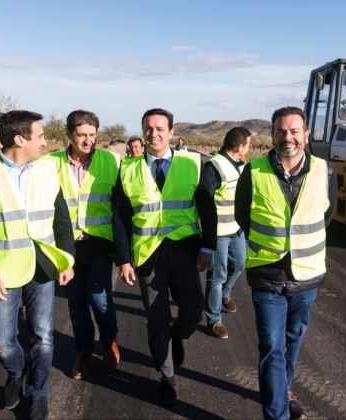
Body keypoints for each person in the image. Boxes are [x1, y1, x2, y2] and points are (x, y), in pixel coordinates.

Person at [0, 110, 75, 420]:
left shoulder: (48, 170)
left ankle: (38, 393)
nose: (45, 141)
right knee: (1, 342)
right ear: (19, 138)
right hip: (1, 273)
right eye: (39, 135)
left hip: (43, 269)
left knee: (43, 337)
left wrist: (67, 259)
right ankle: (17, 372)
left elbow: (62, 221)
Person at [235, 106, 336, 420]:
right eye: (281, 131)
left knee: (293, 340)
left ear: (306, 135)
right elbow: (242, 216)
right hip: (267, 274)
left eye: (294, 131)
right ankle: (276, 413)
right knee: (271, 346)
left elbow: (326, 216)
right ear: (272, 135)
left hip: (306, 276)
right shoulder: (253, 172)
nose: (288, 137)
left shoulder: (325, 171)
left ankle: (284, 389)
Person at [112, 108, 216, 406]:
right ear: (142, 132)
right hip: (148, 255)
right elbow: (120, 217)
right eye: (148, 128)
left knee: (193, 312)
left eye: (160, 128)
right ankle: (167, 376)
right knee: (156, 319)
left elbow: (207, 209)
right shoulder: (128, 169)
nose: (153, 134)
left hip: (184, 251)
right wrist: (123, 259)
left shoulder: (193, 164)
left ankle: (178, 336)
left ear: (171, 132)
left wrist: (208, 247)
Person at [46, 110, 121, 380]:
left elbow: (121, 206)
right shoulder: (49, 163)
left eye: (92, 134)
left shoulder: (111, 161)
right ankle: (84, 351)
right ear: (69, 135)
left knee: (99, 299)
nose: (87, 140)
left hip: (99, 244)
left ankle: (109, 340)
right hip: (66, 247)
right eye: (81, 135)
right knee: (76, 303)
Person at [202, 126, 251, 339]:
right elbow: (204, 201)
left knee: (240, 263)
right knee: (217, 275)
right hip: (219, 232)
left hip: (237, 228)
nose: (248, 148)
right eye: (247, 145)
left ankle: (225, 295)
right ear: (239, 146)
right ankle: (213, 320)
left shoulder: (241, 165)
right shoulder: (214, 167)